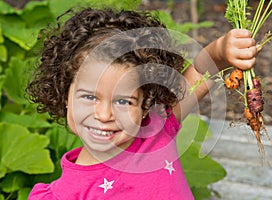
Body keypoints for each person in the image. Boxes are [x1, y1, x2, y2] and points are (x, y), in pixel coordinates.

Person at [26, 7, 257, 200]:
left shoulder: (156, 130)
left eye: (123, 101)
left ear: (145, 104)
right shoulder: (65, 194)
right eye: (89, 97)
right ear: (64, 93)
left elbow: (200, 71)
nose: (104, 114)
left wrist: (221, 50)